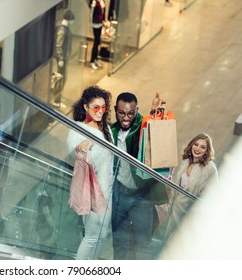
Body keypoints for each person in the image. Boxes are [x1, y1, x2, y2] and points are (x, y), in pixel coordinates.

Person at [110, 92, 168, 260]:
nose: (126, 117)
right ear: (116, 110)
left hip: (141, 197)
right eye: (121, 113)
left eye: (130, 113)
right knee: (119, 243)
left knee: (143, 244)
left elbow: (149, 128)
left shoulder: (139, 128)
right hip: (120, 194)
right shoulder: (112, 131)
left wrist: (154, 113)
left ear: (136, 111)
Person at [67, 85, 114, 260]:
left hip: (107, 190)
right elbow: (76, 152)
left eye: (103, 107)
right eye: (96, 107)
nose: (100, 111)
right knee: (92, 236)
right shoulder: (78, 129)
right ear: (86, 107)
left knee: (101, 236)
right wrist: (82, 148)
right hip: (93, 192)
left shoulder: (106, 129)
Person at [164, 133, 218, 241]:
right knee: (169, 241)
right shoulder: (186, 160)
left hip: (191, 213)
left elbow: (214, 195)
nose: (197, 149)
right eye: (196, 144)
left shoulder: (210, 168)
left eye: (203, 147)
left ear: (207, 151)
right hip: (177, 208)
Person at [51, 10, 75, 107]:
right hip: (61, 59)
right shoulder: (62, 30)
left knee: (62, 78)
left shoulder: (62, 27)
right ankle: (57, 100)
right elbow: (58, 45)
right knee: (62, 78)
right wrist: (61, 58)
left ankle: (57, 97)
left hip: (62, 58)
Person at [89, 0, 106, 70]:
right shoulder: (94, 2)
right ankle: (92, 60)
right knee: (96, 43)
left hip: (100, 24)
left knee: (98, 42)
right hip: (95, 24)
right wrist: (90, 25)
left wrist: (104, 22)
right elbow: (91, 14)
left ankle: (96, 59)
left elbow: (103, 13)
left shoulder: (102, 2)